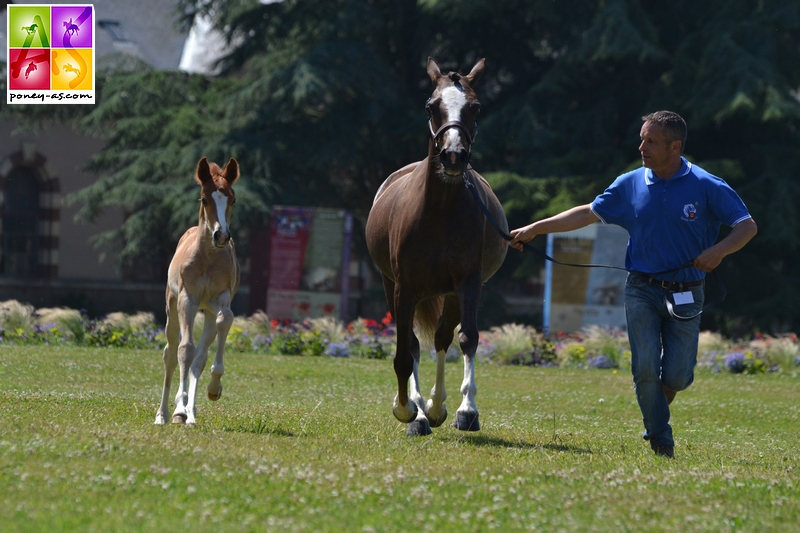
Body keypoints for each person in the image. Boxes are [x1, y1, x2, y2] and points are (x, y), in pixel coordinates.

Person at [509, 111, 757, 458]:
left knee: (677, 376)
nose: (641, 146)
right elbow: (586, 213)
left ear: (675, 146)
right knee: (644, 367)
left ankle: (655, 413)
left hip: (688, 289)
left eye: (651, 141)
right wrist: (536, 228)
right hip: (640, 288)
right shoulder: (629, 183)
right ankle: (661, 438)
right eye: (641, 138)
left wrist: (718, 251)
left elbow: (746, 226)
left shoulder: (706, 185)